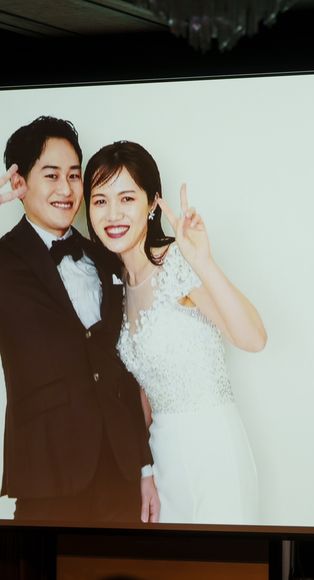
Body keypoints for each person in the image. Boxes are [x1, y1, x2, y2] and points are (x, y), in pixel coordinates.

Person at [84, 141, 266, 524]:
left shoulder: (177, 263)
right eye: (100, 201)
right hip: (163, 460)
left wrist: (203, 261)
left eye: (127, 198)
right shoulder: (115, 285)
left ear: (152, 203)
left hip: (214, 452)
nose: (113, 214)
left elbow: (253, 338)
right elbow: (143, 392)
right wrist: (144, 469)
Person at [0, 117, 159, 523]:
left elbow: (125, 369)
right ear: (18, 182)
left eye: (74, 175)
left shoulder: (105, 253)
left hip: (120, 472)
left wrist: (144, 466)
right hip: (45, 474)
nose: (67, 189)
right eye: (51, 175)